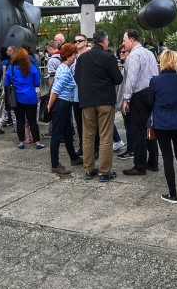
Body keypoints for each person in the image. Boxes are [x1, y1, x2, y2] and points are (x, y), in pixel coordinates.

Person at [74, 30, 122, 182]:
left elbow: (77, 78)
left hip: (87, 101)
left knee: (87, 137)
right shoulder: (108, 57)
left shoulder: (82, 58)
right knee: (105, 136)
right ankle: (104, 172)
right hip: (105, 101)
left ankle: (89, 170)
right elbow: (118, 79)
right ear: (104, 41)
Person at [149, 50, 177, 203]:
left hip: (162, 121)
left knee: (167, 157)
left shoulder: (155, 81)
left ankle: (172, 194)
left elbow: (150, 101)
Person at [121, 29, 159, 176]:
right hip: (151, 92)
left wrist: (126, 98)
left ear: (131, 40)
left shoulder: (134, 56)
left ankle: (139, 165)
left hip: (139, 94)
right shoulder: (149, 53)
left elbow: (131, 78)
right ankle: (153, 162)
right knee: (149, 127)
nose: (123, 44)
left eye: (124, 41)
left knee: (138, 130)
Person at [47, 43, 82, 174]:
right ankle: (55, 164)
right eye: (74, 54)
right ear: (69, 55)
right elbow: (55, 90)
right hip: (62, 104)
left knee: (68, 133)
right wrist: (49, 106)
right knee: (57, 135)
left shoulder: (63, 68)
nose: (75, 56)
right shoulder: (65, 71)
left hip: (64, 104)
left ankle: (73, 157)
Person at [3, 48, 44, 150]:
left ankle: (21, 142)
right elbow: (37, 83)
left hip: (17, 98)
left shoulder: (11, 68)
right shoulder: (32, 68)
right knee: (32, 121)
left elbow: (6, 83)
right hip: (30, 98)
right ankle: (38, 142)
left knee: (20, 121)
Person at [115, 46, 134, 160]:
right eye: (120, 52)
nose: (121, 53)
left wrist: (126, 101)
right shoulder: (125, 65)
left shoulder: (129, 65)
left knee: (129, 126)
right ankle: (131, 148)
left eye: (124, 51)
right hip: (124, 99)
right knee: (128, 126)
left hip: (127, 101)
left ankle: (131, 149)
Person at [0, 45, 16, 134]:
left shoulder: (8, 63)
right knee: (13, 109)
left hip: (8, 88)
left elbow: (5, 76)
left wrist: (4, 86)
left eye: (8, 51)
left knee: (6, 107)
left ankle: (0, 125)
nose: (7, 52)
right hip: (13, 88)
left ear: (12, 51)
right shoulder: (13, 63)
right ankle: (16, 126)